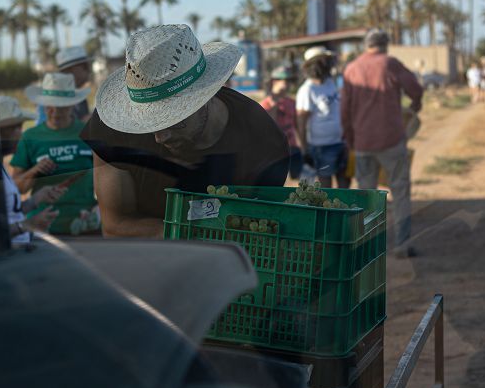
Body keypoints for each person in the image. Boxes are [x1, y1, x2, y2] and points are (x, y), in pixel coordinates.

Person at [81, 24, 289, 238]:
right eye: (147, 124)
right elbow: (115, 225)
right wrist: (191, 234)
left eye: (173, 121)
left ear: (205, 97)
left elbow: (262, 228)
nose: (160, 137)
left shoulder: (262, 139)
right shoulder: (114, 128)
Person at [341, 28, 424, 252]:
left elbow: (345, 109)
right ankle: (402, 244)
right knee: (400, 190)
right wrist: (416, 104)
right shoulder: (390, 64)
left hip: (362, 143)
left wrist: (350, 138)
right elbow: (415, 88)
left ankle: (369, 245)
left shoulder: (351, 69)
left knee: (367, 195)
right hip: (392, 140)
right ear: (385, 44)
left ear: (367, 45)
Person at [12, 73, 100, 235]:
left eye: (61, 107)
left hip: (86, 223)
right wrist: (35, 170)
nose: (55, 112)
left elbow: (105, 175)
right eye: (49, 106)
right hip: (44, 225)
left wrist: (100, 207)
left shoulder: (88, 132)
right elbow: (17, 188)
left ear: (72, 105)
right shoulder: (31, 137)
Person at [0, 95, 65, 245]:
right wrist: (28, 225)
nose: (21, 134)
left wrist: (36, 199)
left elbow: (11, 214)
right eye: (15, 128)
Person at [296, 47, 350, 189]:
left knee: (345, 182)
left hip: (341, 142)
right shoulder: (306, 90)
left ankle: (344, 211)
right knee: (327, 186)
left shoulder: (330, 83)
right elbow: (301, 121)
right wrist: (304, 149)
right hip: (322, 147)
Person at [260, 66, 302, 179]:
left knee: (299, 181)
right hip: (275, 150)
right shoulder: (265, 104)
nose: (288, 84)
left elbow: (297, 125)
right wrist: (274, 101)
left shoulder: (291, 102)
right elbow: (267, 127)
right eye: (285, 80)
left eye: (289, 81)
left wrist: (303, 145)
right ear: (274, 81)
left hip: (292, 147)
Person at [33, 45, 94, 124]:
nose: (89, 71)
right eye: (85, 67)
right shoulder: (51, 98)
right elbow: (46, 131)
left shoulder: (80, 97)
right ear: (71, 71)